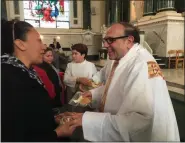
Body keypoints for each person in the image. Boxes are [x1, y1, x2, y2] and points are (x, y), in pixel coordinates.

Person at [64, 22, 180, 141]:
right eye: (105, 40)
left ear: (129, 41)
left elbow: (139, 121)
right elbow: (116, 86)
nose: (104, 45)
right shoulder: (119, 58)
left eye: (110, 40)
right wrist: (94, 94)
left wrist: (87, 120)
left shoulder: (141, 65)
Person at [1, 20, 75, 142]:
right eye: (38, 40)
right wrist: (58, 133)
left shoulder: (25, 71)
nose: (44, 47)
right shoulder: (7, 78)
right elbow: (12, 135)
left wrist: (52, 118)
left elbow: (27, 116)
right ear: (20, 44)